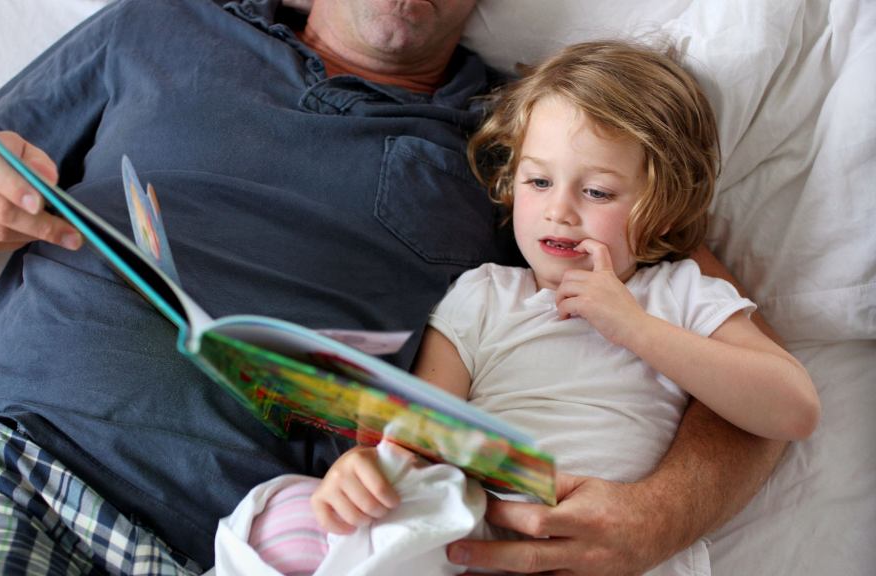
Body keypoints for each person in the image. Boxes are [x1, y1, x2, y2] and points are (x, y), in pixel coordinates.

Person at [0, 1, 789, 574]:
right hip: (19, 470)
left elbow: (724, 335)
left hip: (261, 547)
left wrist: (662, 516)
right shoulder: (158, 25)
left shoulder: (529, 140)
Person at [223, 39, 820, 575]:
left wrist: (634, 327)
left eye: (597, 192)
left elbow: (792, 409)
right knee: (284, 519)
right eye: (538, 182)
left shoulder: (680, 294)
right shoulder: (484, 293)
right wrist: (369, 470)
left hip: (600, 555)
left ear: (662, 208)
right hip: (468, 540)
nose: (560, 211)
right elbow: (421, 426)